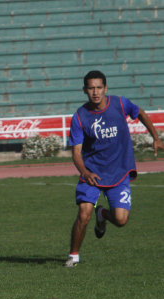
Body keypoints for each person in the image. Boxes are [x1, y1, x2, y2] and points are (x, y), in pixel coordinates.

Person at [65, 70, 164, 267]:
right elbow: (76, 153)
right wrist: (84, 172)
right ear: (84, 90)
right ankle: (73, 256)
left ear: (106, 88)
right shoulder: (80, 116)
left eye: (99, 87)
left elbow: (141, 113)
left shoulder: (120, 104)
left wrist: (156, 137)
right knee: (84, 214)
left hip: (119, 172)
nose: (95, 92)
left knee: (120, 220)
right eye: (91, 88)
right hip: (92, 174)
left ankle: (102, 214)